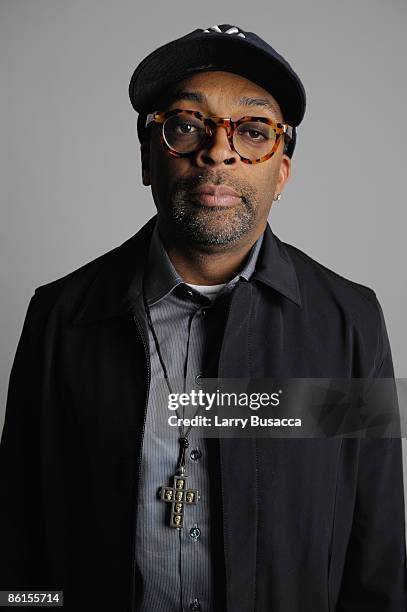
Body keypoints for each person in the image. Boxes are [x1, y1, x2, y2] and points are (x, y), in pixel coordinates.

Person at [0, 23, 406, 612]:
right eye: (185, 126)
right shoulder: (61, 317)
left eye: (253, 130)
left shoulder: (349, 323)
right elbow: (18, 546)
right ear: (147, 160)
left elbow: (377, 559)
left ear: (282, 173)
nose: (218, 151)